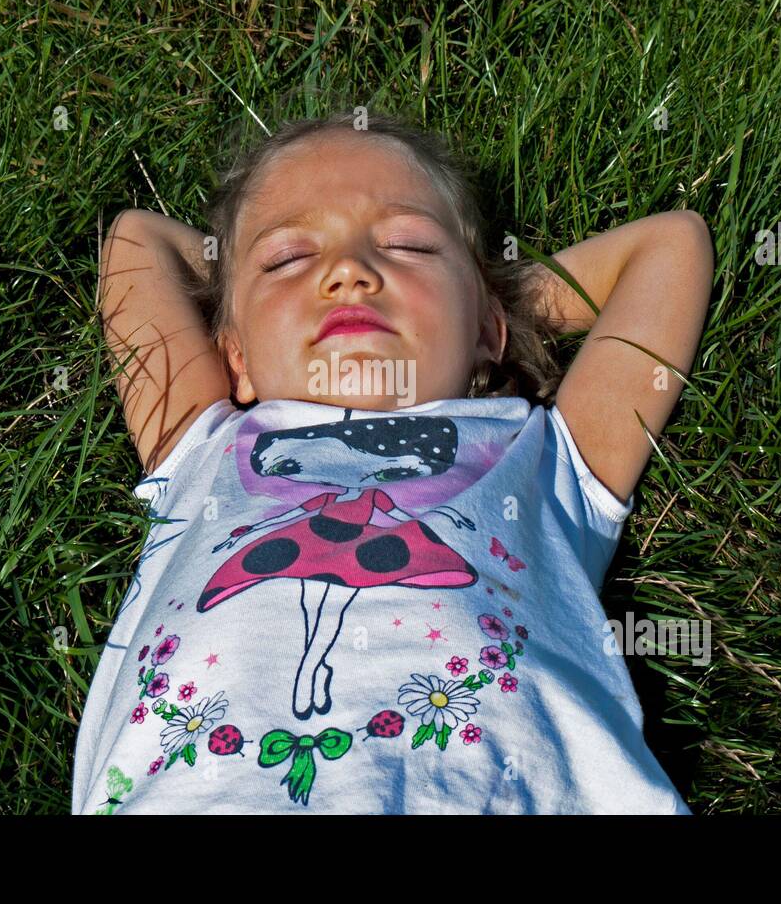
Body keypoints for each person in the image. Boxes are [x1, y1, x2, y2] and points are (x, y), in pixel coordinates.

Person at [73, 110, 713, 813]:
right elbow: (138, 240)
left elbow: (671, 246)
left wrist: (489, 298)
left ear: (488, 333)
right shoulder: (203, 445)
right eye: (287, 259)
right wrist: (458, 293)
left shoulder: (543, 458)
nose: (348, 271)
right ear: (233, 356)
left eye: (409, 246)